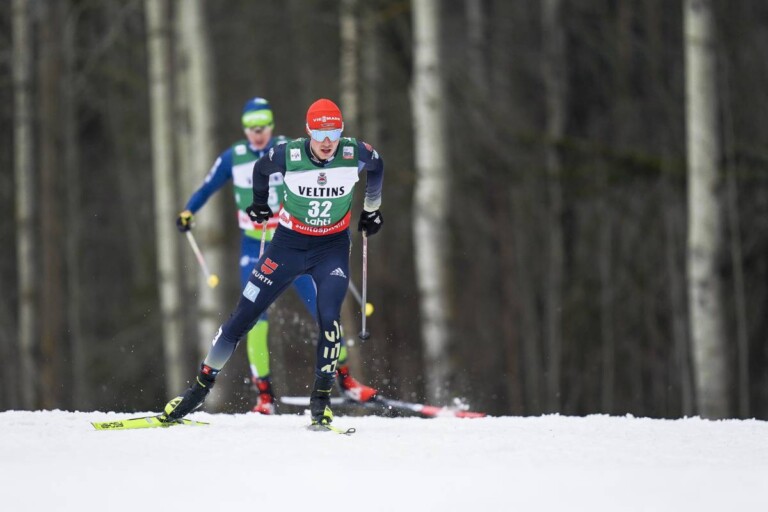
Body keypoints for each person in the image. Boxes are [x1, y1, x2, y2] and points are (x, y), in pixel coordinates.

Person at [174, 97, 377, 416]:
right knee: (249, 317)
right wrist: (190, 210)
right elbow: (214, 184)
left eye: (263, 126)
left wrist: (370, 210)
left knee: (326, 315)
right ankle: (245, 393)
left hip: (323, 245)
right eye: (251, 127)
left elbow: (374, 163)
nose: (258, 133)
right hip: (271, 244)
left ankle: (336, 387)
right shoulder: (246, 156)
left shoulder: (326, 150)